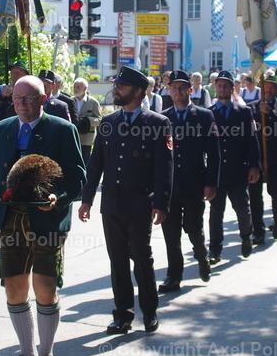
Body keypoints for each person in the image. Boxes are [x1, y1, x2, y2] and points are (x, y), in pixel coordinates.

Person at [0, 76, 86, 356]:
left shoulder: (62, 129)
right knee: (14, 289)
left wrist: (60, 198)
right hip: (11, 219)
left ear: (43, 100)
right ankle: (27, 354)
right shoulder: (2, 130)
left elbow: (77, 178)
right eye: (17, 99)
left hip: (47, 218)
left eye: (29, 99)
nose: (22, 105)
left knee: (45, 288)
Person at [79, 66, 173, 335]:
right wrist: (86, 199)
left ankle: (150, 311)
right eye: (116, 85)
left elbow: (164, 168)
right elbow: (96, 164)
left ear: (139, 91)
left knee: (142, 258)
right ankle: (122, 314)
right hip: (112, 203)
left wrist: (161, 203)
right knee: (117, 260)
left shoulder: (157, 123)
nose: (116, 89)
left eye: (121, 86)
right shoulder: (108, 123)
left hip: (141, 203)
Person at [159, 70, 218, 292]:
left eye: (182, 87)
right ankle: (174, 276)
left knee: (194, 228)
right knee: (170, 232)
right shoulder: (164, 118)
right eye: (174, 87)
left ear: (190, 90)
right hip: (171, 185)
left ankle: (202, 257)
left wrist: (211, 182)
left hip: (194, 183)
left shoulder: (204, 116)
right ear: (169, 90)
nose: (178, 91)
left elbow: (213, 152)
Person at [207, 70, 261, 263]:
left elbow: (251, 140)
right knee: (216, 211)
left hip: (238, 169)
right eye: (219, 85)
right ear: (216, 88)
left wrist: (254, 166)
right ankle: (214, 249)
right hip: (218, 171)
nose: (222, 89)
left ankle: (246, 236)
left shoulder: (244, 112)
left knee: (241, 207)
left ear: (232, 88)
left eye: (226, 86)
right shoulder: (209, 114)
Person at [249, 74, 277, 243]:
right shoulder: (251, 107)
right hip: (256, 157)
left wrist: (270, 113)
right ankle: (258, 230)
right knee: (254, 196)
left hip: (276, 156)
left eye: (271, 87)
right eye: (266, 86)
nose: (268, 90)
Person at [0, 60, 31, 125]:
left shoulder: (28, 91)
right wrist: (1, 98)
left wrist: (12, 95)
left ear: (25, 75)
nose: (16, 75)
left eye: (19, 72)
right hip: (2, 127)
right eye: (13, 72)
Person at [72, 77, 101, 161]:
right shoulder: (70, 101)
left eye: (78, 87)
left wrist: (86, 121)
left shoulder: (93, 102)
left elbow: (99, 120)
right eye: (74, 87)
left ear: (85, 88)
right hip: (73, 138)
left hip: (87, 139)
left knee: (85, 162)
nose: (75, 89)